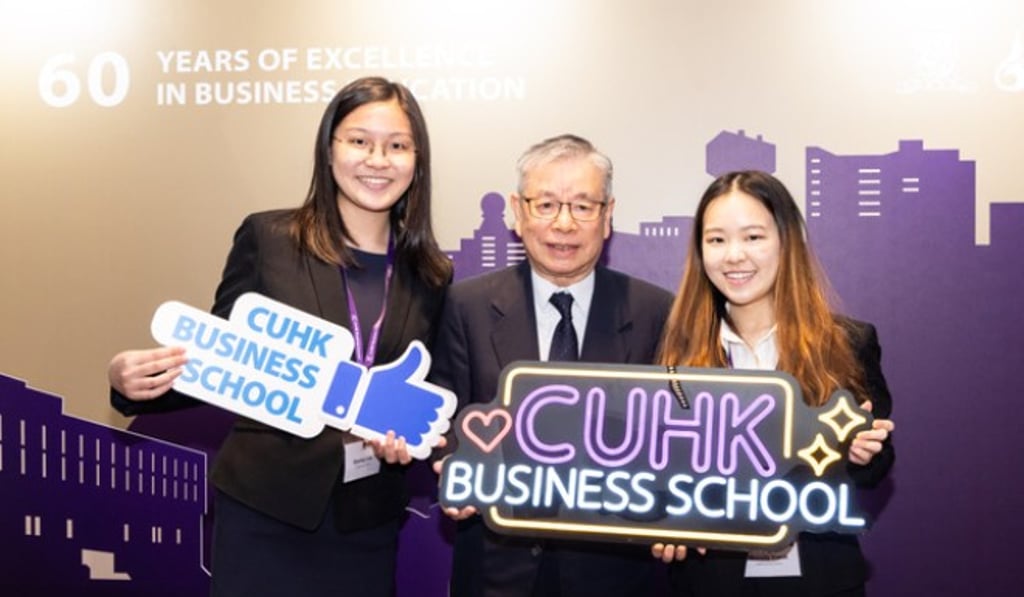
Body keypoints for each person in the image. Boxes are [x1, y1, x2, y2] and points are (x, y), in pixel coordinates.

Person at [107, 76, 452, 596]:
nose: (378, 160)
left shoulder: (431, 273)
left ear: (417, 160)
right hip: (263, 512)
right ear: (330, 147)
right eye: (359, 141)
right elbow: (219, 362)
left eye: (397, 146)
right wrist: (131, 382)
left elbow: (435, 391)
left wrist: (413, 441)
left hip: (366, 520)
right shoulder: (269, 240)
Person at [431, 134, 675, 596]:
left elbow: (678, 439)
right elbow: (445, 421)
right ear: (516, 212)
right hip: (495, 573)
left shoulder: (655, 312)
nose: (564, 224)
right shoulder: (466, 305)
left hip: (614, 574)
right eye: (546, 205)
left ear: (607, 217)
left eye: (583, 206)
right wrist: (453, 463)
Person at [650, 170, 895, 596]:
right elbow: (655, 470)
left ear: (786, 243)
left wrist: (861, 452)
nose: (734, 256)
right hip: (710, 582)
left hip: (821, 581)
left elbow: (876, 468)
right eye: (716, 240)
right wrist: (663, 520)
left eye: (753, 237)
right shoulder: (675, 353)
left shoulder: (847, 342)